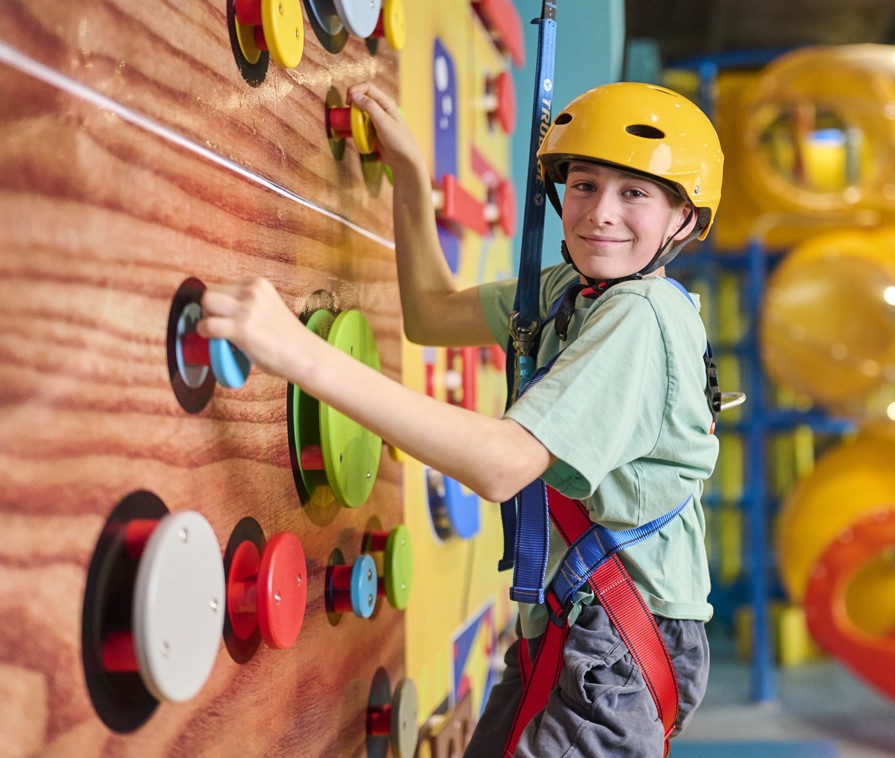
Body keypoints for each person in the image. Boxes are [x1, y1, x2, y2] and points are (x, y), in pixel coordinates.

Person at [198, 80, 724, 756]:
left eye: (635, 194)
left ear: (683, 218)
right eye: (585, 184)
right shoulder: (572, 293)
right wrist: (412, 178)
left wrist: (296, 352)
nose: (600, 214)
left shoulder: (641, 318)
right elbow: (430, 313)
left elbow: (502, 463)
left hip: (617, 646)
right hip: (573, 625)